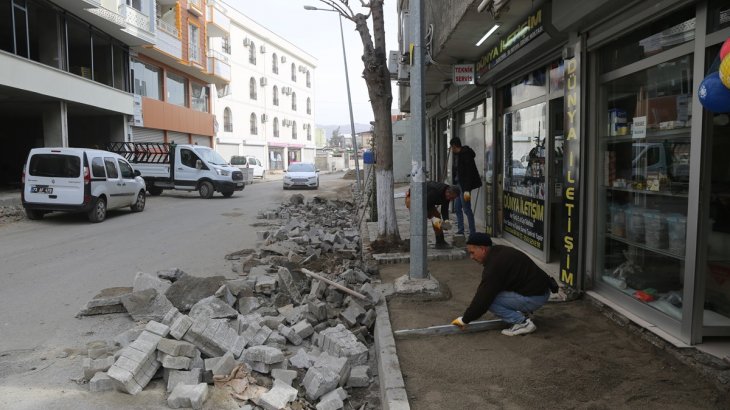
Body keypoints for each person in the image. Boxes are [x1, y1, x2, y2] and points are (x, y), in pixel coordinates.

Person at [451, 233, 558, 336]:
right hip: (541, 290)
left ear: (483, 249)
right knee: (493, 292)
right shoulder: (499, 251)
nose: (471, 257)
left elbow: (482, 299)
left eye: (472, 252)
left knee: (490, 301)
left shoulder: (494, 266)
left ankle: (523, 323)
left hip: (536, 297)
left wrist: (465, 320)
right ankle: (523, 313)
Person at [405, 181, 459, 249]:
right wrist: (433, 218)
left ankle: (440, 242)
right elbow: (423, 207)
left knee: (437, 217)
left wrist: (446, 221)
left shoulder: (447, 195)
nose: (451, 200)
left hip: (427, 201)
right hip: (414, 198)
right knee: (419, 219)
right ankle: (416, 243)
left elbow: (444, 209)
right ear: (448, 192)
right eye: (451, 198)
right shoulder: (434, 192)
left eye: (453, 199)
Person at [450, 137, 482, 237]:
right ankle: (461, 230)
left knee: (467, 209)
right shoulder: (456, 155)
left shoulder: (466, 154)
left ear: (454, 146)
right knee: (457, 207)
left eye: (452, 147)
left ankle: (472, 232)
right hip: (458, 186)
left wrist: (467, 190)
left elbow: (469, 173)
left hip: (465, 188)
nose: (451, 149)